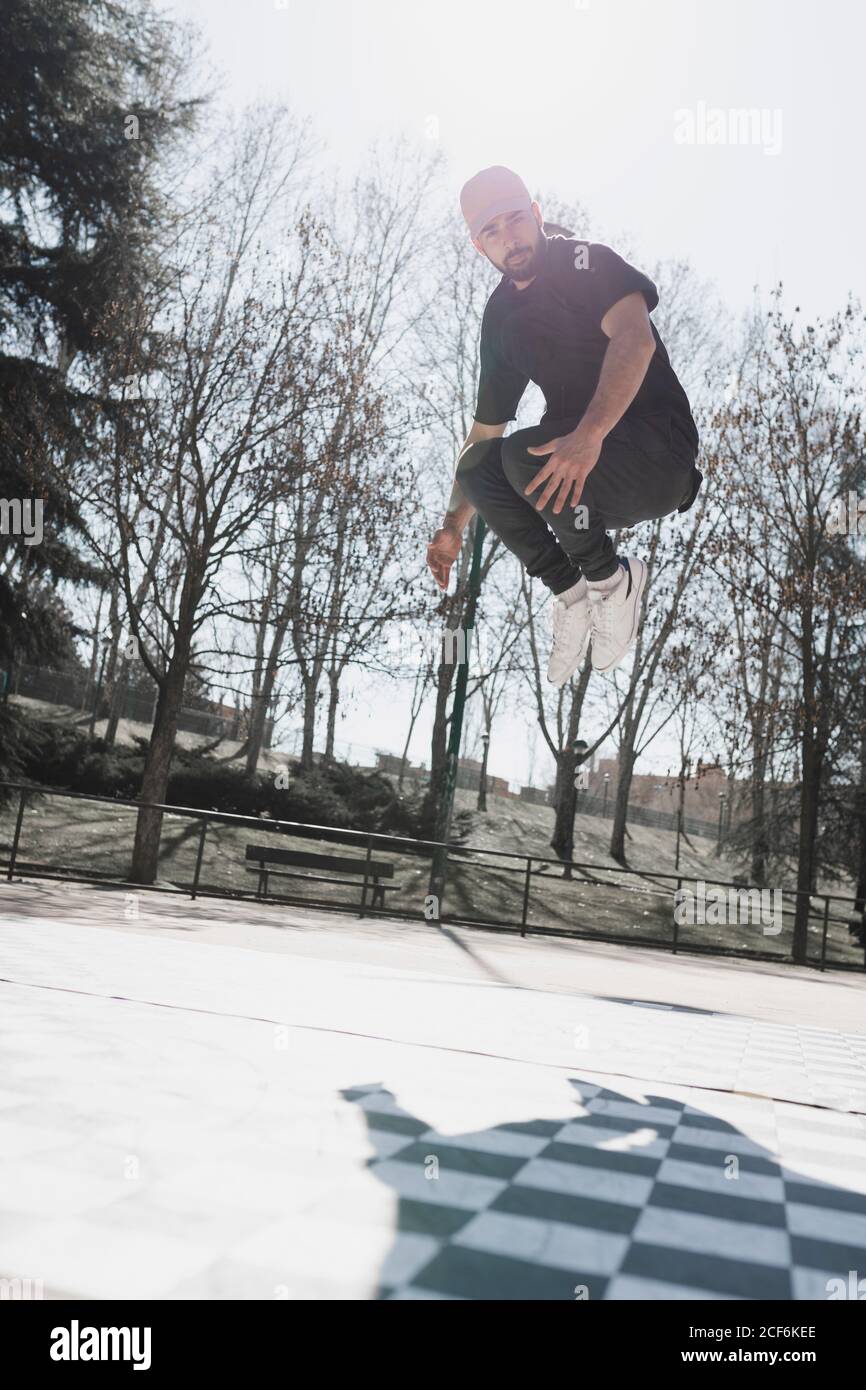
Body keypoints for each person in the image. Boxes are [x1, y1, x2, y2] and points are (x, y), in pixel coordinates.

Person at [426, 165, 702, 683]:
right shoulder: (502, 317)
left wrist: (588, 435)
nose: (509, 238)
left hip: (656, 455)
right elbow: (484, 433)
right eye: (492, 232)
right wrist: (451, 526)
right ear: (477, 245)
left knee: (519, 455)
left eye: (515, 220)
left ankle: (611, 583)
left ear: (536, 215)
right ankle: (573, 595)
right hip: (588, 488)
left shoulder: (586, 263)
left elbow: (634, 340)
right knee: (481, 464)